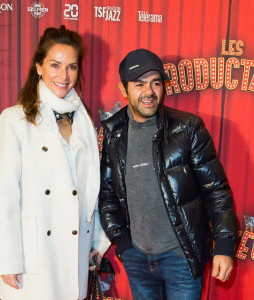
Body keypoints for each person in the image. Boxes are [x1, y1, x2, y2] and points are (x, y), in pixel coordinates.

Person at [98, 48, 238, 300]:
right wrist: (122, 241)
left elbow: (216, 190)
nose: (149, 92)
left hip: (180, 257)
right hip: (137, 258)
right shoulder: (113, 133)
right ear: (123, 89)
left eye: (155, 83)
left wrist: (225, 245)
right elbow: (107, 194)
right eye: (139, 84)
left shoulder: (188, 128)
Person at [0, 25, 110, 300]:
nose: (64, 76)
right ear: (39, 67)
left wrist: (99, 240)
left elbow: (93, 189)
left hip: (74, 250)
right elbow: (5, 195)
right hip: (33, 257)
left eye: (72, 67)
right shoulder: (14, 119)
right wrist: (7, 259)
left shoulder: (84, 121)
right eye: (55, 65)